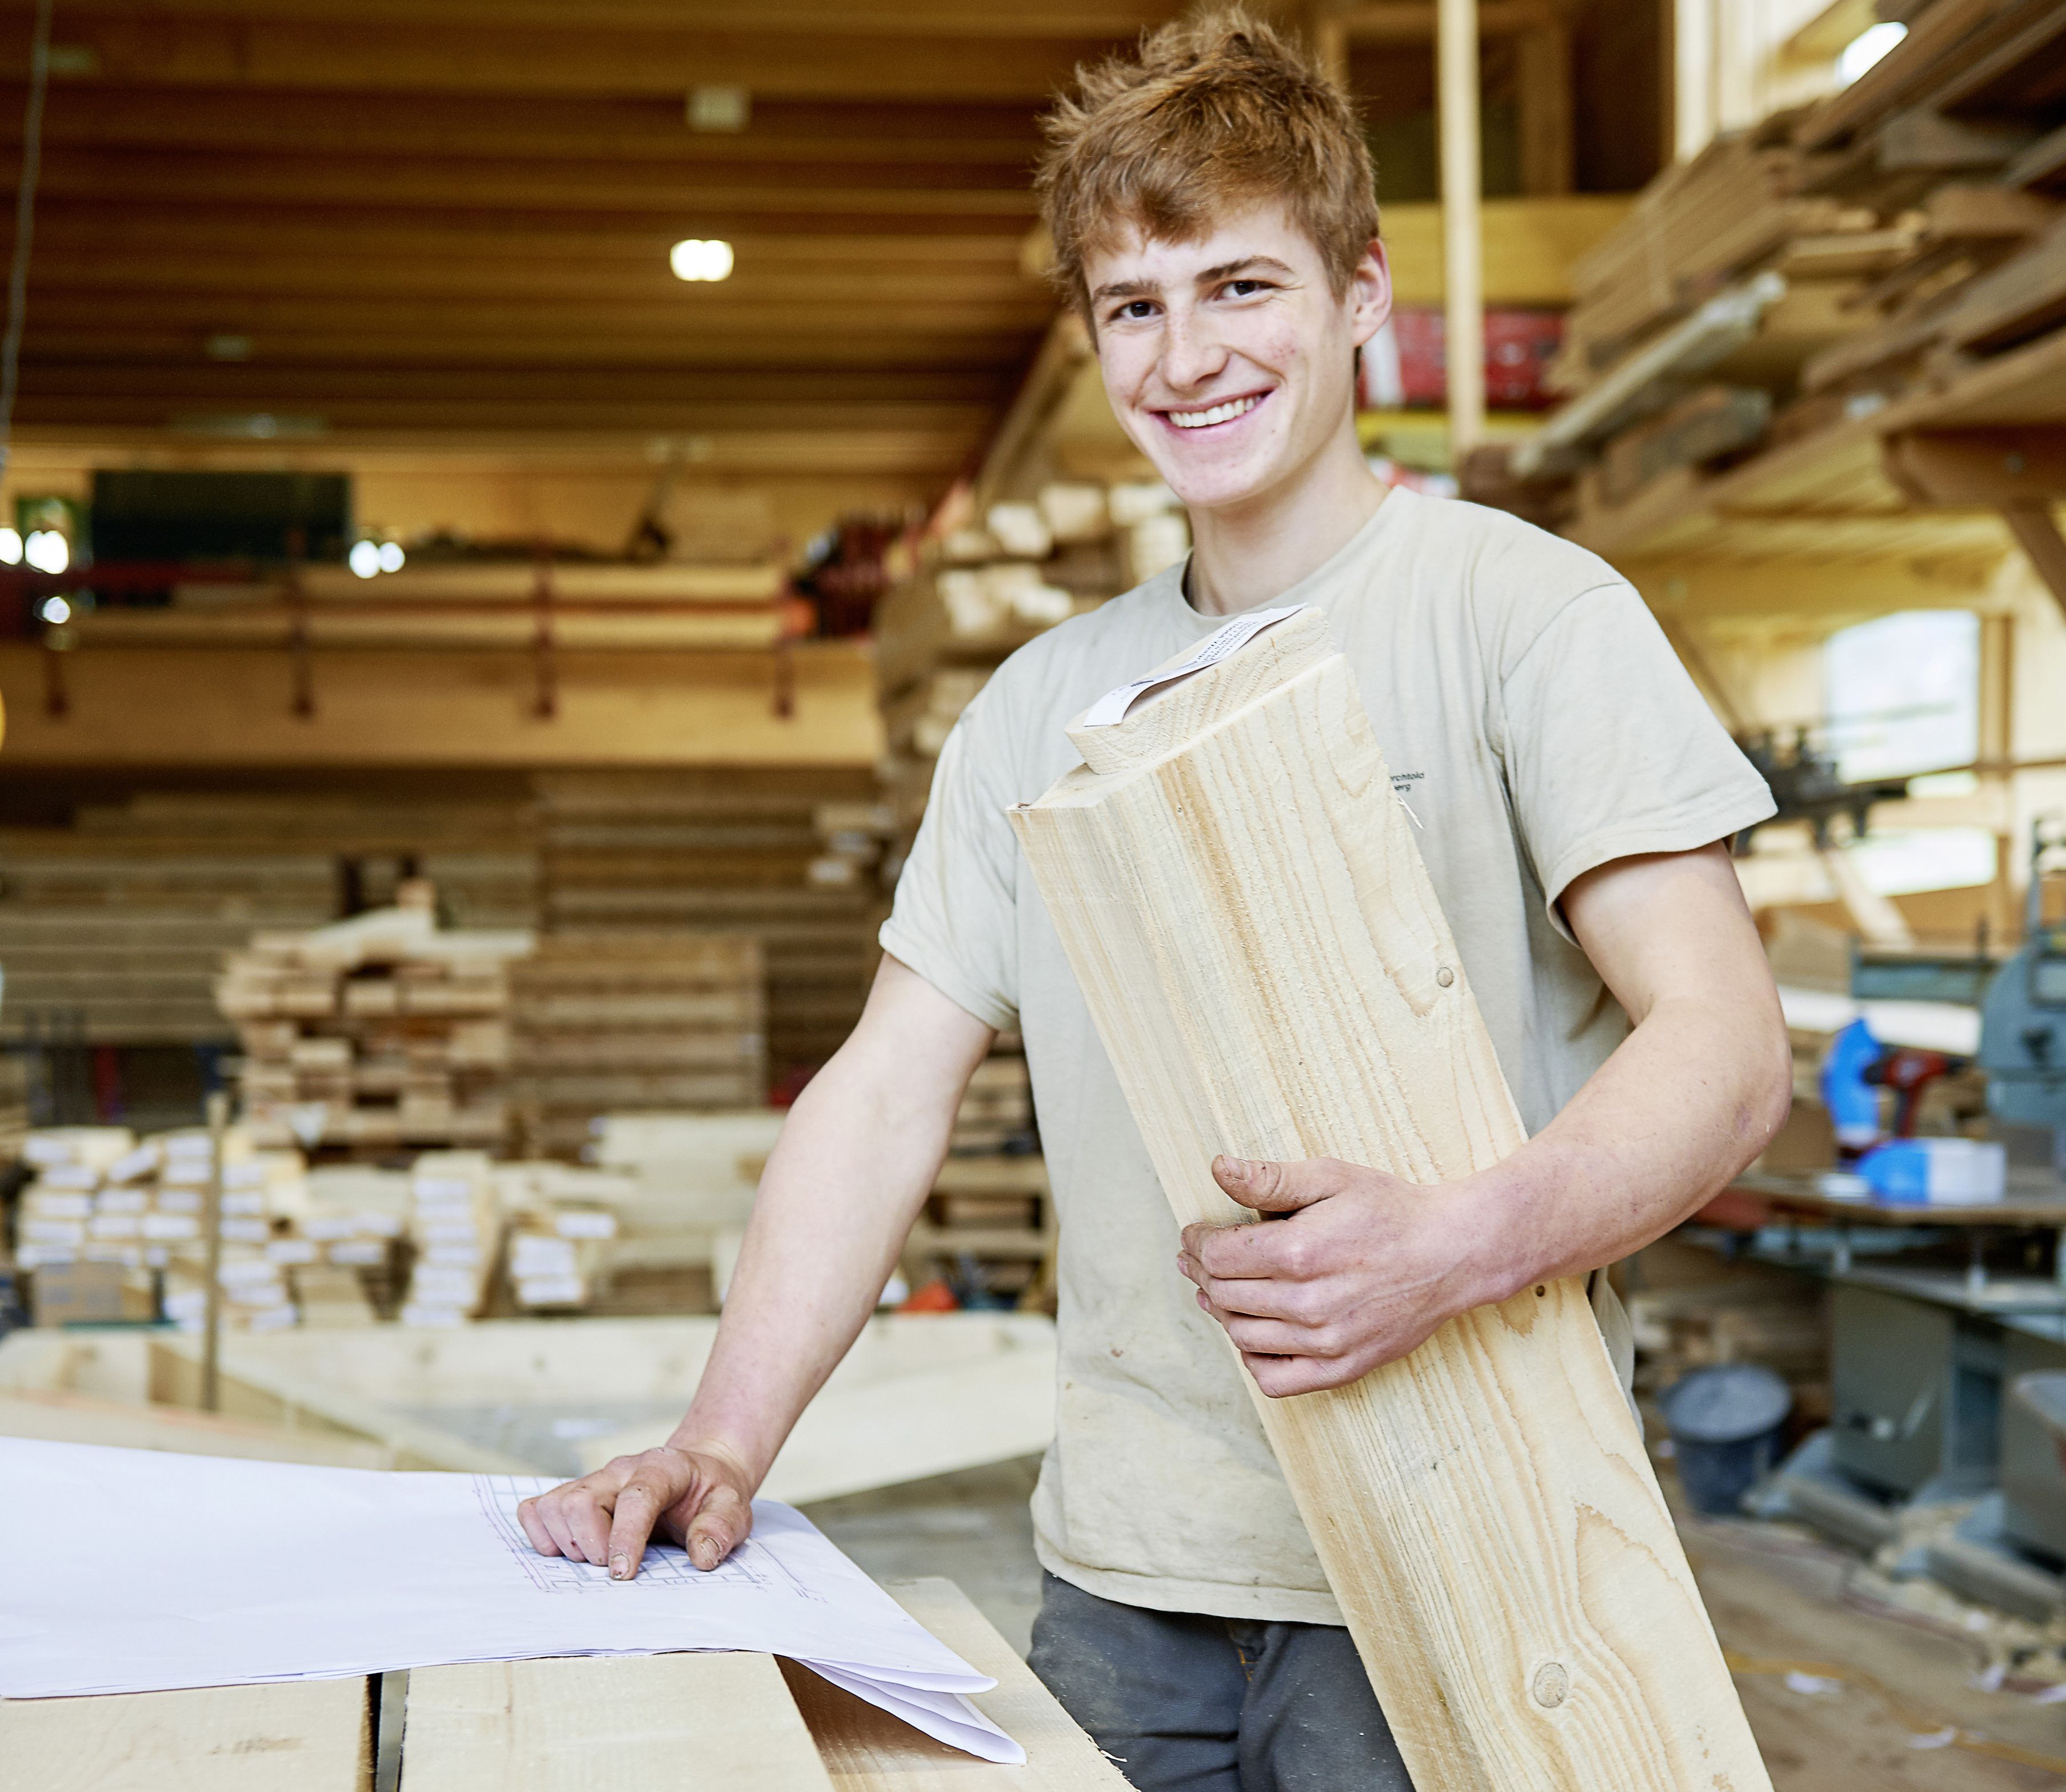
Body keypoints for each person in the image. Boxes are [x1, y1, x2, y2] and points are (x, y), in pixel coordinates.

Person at [519, 12, 1791, 1789]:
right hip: (1121, 1578)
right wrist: (722, 1443)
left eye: (1240, 287)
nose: (1186, 359)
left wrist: (1463, 1242)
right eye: (1135, 306)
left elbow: (1727, 1045)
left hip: (1460, 1536)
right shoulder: (1038, 706)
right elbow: (887, 1091)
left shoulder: (1526, 618)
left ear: (1362, 297)